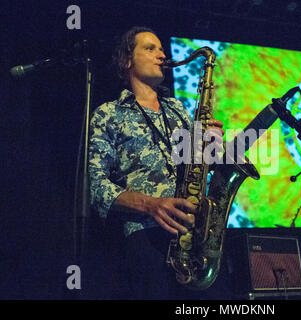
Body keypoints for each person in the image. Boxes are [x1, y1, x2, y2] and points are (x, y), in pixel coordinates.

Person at [88, 26, 225, 299]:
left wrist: (211, 144)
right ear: (126, 60)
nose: (161, 54)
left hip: (195, 236)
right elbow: (95, 185)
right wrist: (151, 205)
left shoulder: (177, 108)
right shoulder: (108, 113)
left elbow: (197, 162)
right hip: (145, 238)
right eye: (150, 48)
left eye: (162, 48)